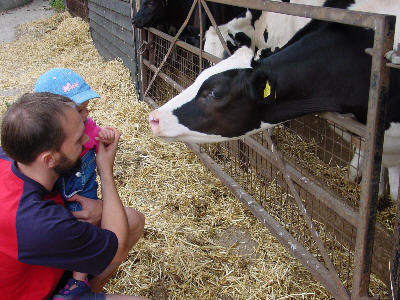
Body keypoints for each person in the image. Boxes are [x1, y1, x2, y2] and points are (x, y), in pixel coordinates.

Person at [0, 92, 146, 300]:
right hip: (31, 293)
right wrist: (105, 169)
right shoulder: (39, 223)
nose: (87, 139)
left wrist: (98, 207)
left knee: (132, 219)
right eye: (78, 140)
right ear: (50, 159)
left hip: (39, 266)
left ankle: (86, 288)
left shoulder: (14, 158)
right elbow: (117, 248)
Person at [34, 68, 120, 299]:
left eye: (85, 108)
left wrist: (107, 136)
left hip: (86, 189)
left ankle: (80, 282)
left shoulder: (86, 125)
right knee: (75, 235)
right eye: (79, 110)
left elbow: (97, 134)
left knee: (89, 230)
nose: (86, 113)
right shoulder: (41, 154)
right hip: (64, 200)